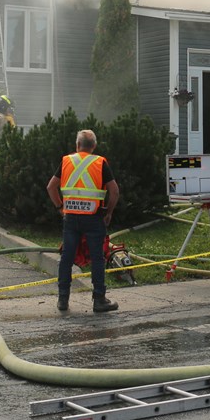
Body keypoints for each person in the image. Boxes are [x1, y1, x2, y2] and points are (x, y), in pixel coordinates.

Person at [46, 129, 121, 314]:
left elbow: (51, 187)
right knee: (97, 258)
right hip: (94, 218)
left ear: (77, 145)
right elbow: (114, 191)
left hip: (71, 217)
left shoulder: (66, 161)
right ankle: (99, 300)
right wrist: (109, 212)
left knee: (67, 258)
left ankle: (63, 299)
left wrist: (60, 207)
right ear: (93, 146)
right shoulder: (100, 162)